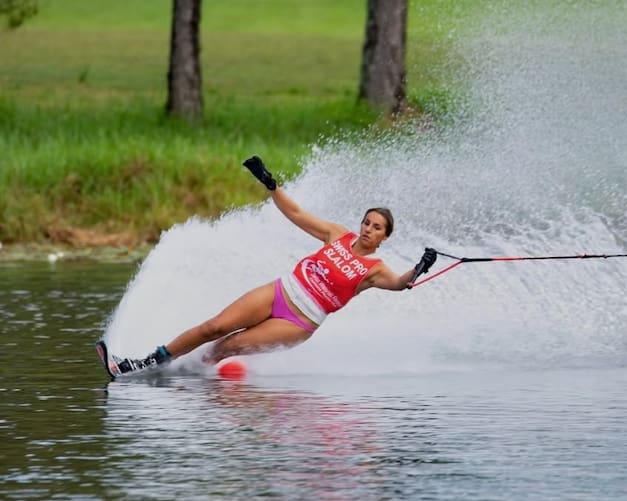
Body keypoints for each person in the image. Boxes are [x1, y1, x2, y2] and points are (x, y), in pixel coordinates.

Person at [106, 155, 437, 375]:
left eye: (376, 227)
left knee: (229, 345)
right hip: (280, 292)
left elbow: (398, 283)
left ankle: (185, 374)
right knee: (215, 327)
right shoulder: (337, 234)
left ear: (384, 237)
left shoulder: (375, 269)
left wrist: (418, 269)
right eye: (367, 222)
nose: (368, 229)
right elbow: (296, 214)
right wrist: (271, 185)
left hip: (299, 320)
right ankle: (146, 362)